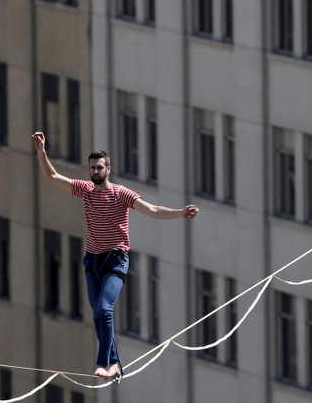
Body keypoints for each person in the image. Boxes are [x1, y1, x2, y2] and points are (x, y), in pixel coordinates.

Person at [32, 131, 199, 381]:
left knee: (104, 309)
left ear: (108, 169)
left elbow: (152, 210)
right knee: (98, 315)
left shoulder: (121, 194)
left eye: (100, 168)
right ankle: (115, 366)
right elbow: (53, 176)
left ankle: (104, 363)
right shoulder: (86, 190)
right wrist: (41, 152)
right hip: (92, 260)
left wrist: (179, 212)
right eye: (92, 168)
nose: (95, 172)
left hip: (116, 259)